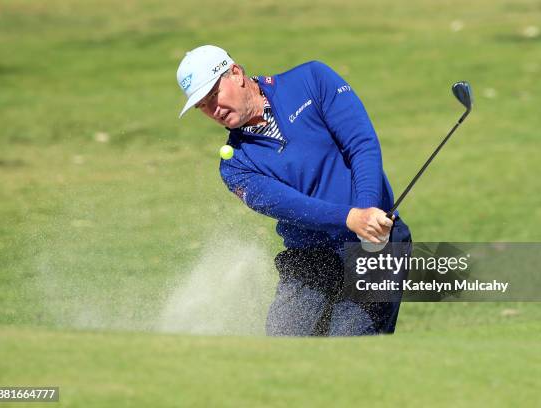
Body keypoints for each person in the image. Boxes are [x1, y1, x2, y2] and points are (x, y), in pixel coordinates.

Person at [176, 45, 411, 336]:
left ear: (235, 73)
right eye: (203, 106)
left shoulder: (312, 79)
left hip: (375, 244)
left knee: (348, 347)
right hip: (308, 258)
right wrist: (350, 217)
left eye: (214, 95)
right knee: (284, 347)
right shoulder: (235, 165)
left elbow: (361, 144)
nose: (214, 110)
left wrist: (366, 213)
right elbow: (288, 204)